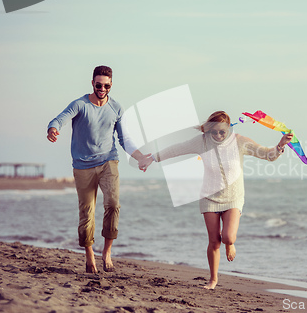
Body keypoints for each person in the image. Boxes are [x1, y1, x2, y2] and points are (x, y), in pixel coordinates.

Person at [139, 111, 293, 289]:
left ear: (229, 128)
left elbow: (267, 155)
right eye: (214, 132)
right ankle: (213, 280)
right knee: (214, 241)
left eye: (222, 132)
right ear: (208, 130)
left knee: (228, 237)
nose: (218, 135)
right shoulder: (202, 141)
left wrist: (281, 145)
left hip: (233, 197)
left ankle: (230, 244)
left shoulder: (239, 141)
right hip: (209, 197)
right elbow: (177, 149)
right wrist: (152, 158)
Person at [47, 65, 150, 274]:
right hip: (82, 165)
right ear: (92, 83)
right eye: (98, 84)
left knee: (113, 203)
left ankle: (107, 253)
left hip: (108, 161)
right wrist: (53, 128)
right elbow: (60, 118)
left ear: (111, 85)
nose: (102, 88)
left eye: (106, 85)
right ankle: (89, 255)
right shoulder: (80, 104)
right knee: (87, 212)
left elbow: (124, 139)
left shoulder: (116, 108)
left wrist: (139, 157)